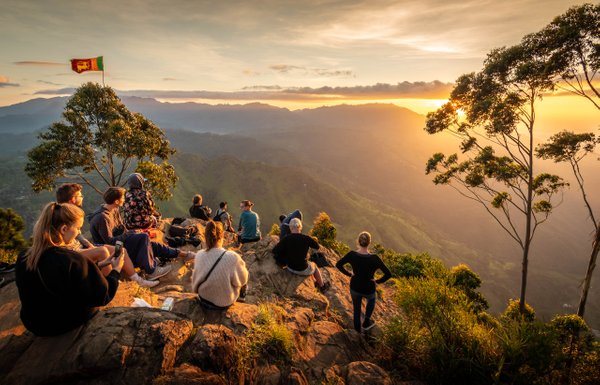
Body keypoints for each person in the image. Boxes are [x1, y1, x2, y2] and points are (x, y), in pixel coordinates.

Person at [15, 202, 124, 336]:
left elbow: (61, 277)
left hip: (34, 324)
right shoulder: (71, 259)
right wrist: (116, 270)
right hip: (61, 324)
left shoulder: (24, 256)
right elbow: (103, 296)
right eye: (78, 228)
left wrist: (100, 264)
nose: (79, 232)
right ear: (64, 229)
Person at [56, 183, 159, 288]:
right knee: (104, 251)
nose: (82, 197)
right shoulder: (62, 216)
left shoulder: (71, 213)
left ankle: (138, 280)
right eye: (80, 195)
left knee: (121, 250)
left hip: (81, 247)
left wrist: (88, 244)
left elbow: (78, 235)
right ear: (73, 199)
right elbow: (68, 242)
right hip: (72, 252)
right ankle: (111, 284)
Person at [89, 187, 194, 282]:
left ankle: (184, 254)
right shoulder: (102, 218)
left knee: (151, 244)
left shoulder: (114, 209)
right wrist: (130, 234)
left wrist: (132, 232)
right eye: (122, 198)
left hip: (120, 242)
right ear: (116, 201)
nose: (124, 200)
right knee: (143, 238)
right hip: (112, 250)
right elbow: (109, 242)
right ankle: (151, 271)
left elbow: (122, 228)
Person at [335, 231, 392, 332]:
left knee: (356, 310)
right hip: (369, 288)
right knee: (372, 299)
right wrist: (377, 281)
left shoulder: (352, 255)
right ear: (369, 243)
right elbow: (388, 274)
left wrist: (349, 274)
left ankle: (357, 333)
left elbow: (338, 264)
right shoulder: (375, 258)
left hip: (355, 287)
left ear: (358, 241)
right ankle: (366, 321)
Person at [191, 221, 249, 310]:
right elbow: (242, 280)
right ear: (222, 236)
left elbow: (195, 280)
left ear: (205, 237)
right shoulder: (233, 257)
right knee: (244, 274)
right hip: (223, 303)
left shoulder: (199, 254)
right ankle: (241, 299)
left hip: (203, 298)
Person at [272, 218, 330, 292]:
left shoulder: (286, 238)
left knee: (307, 263)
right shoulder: (306, 238)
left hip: (290, 267)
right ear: (300, 227)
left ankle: (315, 282)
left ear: (290, 227)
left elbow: (275, 251)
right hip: (302, 268)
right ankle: (322, 286)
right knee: (314, 266)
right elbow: (317, 246)